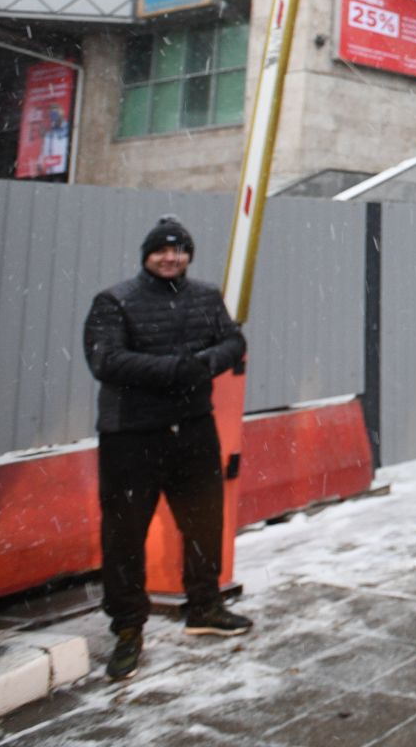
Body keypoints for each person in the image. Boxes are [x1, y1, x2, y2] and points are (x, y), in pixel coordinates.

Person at [82, 216, 253, 682]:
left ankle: (205, 606)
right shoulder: (114, 300)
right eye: (162, 250)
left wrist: (202, 363)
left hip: (193, 429)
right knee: (125, 533)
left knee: (203, 521)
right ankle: (128, 628)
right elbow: (106, 360)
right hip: (131, 435)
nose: (170, 258)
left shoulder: (205, 296)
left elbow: (233, 340)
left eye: (179, 250)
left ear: (189, 256)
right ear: (147, 255)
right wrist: (177, 371)